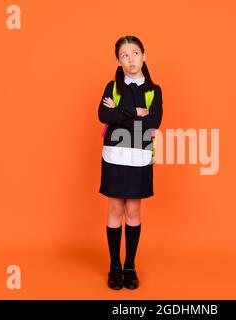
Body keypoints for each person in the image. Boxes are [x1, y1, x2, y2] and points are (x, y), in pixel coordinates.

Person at [98, 35, 163, 290]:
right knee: (115, 208)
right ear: (118, 61)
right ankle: (114, 266)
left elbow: (153, 123)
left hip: (140, 156)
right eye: (125, 55)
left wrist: (119, 114)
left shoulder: (153, 91)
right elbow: (104, 114)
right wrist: (136, 112)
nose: (131, 58)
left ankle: (130, 266)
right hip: (114, 155)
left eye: (135, 53)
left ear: (144, 56)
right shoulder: (111, 87)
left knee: (133, 211)